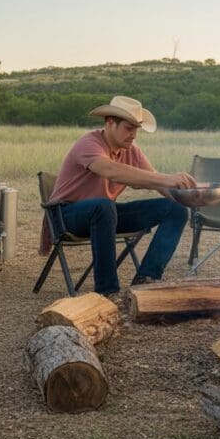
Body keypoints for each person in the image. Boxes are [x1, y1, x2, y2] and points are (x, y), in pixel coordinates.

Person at [44, 96, 197, 295]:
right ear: (110, 123)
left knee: (175, 210)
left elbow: (156, 182)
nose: (133, 135)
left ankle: (147, 278)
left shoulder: (131, 150)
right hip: (66, 216)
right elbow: (110, 170)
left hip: (103, 215)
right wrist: (167, 178)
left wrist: (191, 198)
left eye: (136, 129)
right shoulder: (89, 143)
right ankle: (107, 291)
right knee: (104, 206)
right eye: (128, 128)